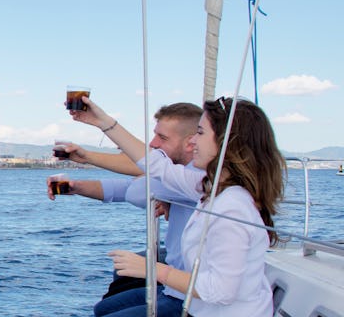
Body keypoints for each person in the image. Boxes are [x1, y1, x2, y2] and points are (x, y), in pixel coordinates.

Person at [82, 96, 283, 316]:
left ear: (227, 142)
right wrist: (102, 121)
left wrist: (153, 269)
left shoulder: (231, 206)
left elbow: (220, 290)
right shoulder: (210, 188)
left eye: (201, 132)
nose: (194, 141)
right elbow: (157, 166)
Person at [49, 103, 204, 316]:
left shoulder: (195, 177)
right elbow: (126, 188)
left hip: (191, 301)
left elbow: (137, 191)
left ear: (190, 143)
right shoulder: (181, 177)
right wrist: (76, 187)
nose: (153, 144)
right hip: (175, 290)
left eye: (163, 138)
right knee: (103, 308)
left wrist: (95, 145)